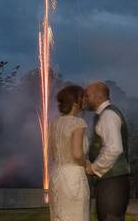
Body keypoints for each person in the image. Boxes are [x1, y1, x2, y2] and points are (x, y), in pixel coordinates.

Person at [84, 81, 131, 221]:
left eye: (88, 95)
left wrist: (93, 168)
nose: (85, 99)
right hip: (112, 181)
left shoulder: (108, 116)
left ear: (98, 97)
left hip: (112, 183)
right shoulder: (106, 114)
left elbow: (114, 148)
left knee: (110, 218)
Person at [49, 84, 90, 221]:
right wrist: (87, 165)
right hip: (74, 178)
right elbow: (77, 153)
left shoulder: (54, 123)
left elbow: (51, 153)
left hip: (56, 176)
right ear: (74, 101)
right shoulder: (78, 123)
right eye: (82, 97)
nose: (85, 100)